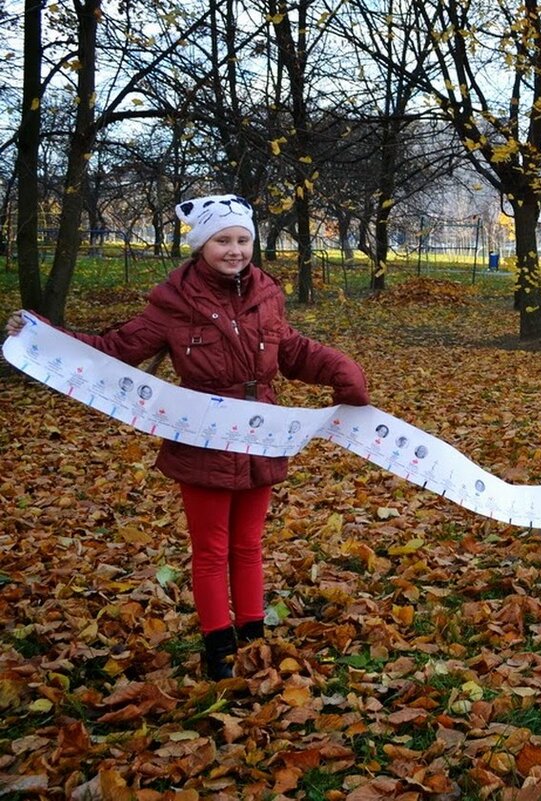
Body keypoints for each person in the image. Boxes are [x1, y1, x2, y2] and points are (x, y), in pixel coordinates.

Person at [5, 194, 370, 679]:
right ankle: (218, 647)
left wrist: (340, 369)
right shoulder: (173, 301)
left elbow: (292, 350)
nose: (234, 249)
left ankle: (253, 638)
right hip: (201, 435)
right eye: (223, 240)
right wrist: (45, 335)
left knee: (249, 544)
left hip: (262, 435)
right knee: (212, 548)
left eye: (243, 239)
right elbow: (117, 349)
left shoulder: (267, 293)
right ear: (200, 245)